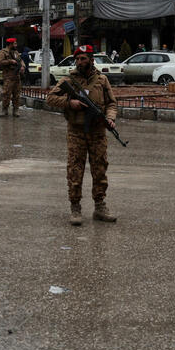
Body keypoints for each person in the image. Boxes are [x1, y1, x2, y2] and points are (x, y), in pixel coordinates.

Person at [46, 45, 118, 225]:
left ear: (91, 60)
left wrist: (110, 118)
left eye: (83, 58)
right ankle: (75, 207)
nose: (79, 62)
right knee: (75, 170)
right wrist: (70, 102)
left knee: (100, 168)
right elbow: (50, 98)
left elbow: (112, 104)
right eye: (77, 59)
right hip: (76, 132)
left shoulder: (102, 80)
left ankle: (100, 206)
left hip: (97, 132)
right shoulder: (68, 81)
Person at [0, 37, 25, 117]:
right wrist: (10, 61)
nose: (16, 45)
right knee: (6, 94)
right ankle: (4, 109)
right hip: (8, 77)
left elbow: (21, 60)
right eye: (15, 43)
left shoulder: (16, 52)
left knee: (17, 95)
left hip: (17, 77)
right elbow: (0, 63)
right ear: (10, 44)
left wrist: (23, 66)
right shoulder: (3, 52)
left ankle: (16, 110)